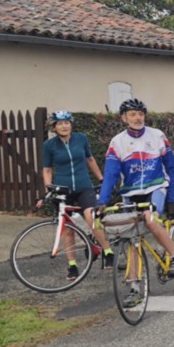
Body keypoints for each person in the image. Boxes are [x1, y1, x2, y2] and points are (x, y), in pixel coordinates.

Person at [97, 98, 174, 307]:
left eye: (141, 114)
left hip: (156, 187)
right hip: (131, 192)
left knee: (150, 220)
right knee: (131, 237)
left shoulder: (157, 136)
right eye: (133, 114)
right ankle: (134, 287)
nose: (137, 118)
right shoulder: (117, 142)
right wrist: (102, 201)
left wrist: (171, 199)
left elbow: (171, 167)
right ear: (124, 118)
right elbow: (110, 174)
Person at [38, 110, 113, 279]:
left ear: (71, 125)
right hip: (62, 190)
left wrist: (102, 180)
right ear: (54, 127)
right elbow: (47, 169)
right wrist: (48, 190)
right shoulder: (49, 146)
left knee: (91, 217)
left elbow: (90, 159)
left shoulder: (81, 139)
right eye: (60, 124)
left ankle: (108, 252)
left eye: (67, 123)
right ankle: (72, 265)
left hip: (83, 186)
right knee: (67, 229)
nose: (64, 126)